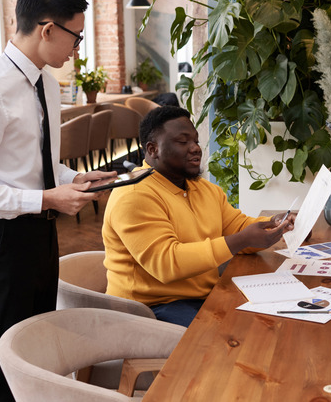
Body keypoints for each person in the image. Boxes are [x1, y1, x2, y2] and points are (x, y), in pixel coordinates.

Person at [0, 0, 115, 402]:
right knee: (5, 371)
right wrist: (43, 199)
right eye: (75, 36)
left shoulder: (48, 85)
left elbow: (36, 163)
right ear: (47, 29)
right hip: (2, 245)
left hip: (42, 237)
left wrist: (70, 179)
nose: (77, 48)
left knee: (38, 358)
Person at [103, 106, 295, 327]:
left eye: (195, 141)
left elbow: (238, 227)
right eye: (183, 142)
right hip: (149, 308)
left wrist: (275, 224)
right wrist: (242, 240)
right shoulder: (133, 195)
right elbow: (166, 264)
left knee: (268, 321)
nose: (195, 148)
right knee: (233, 337)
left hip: (200, 297)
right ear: (153, 149)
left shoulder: (204, 189)